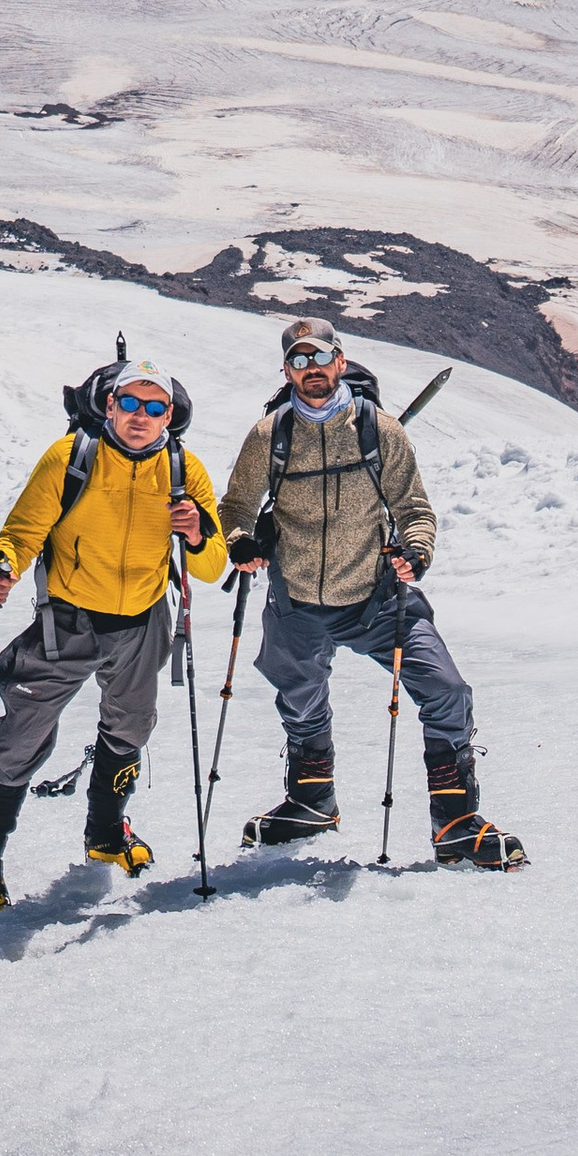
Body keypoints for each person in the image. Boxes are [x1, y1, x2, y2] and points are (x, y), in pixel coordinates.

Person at [0, 356, 226, 931]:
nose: (141, 417)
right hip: (65, 620)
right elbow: (23, 531)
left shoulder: (186, 471)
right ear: (108, 405)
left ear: (170, 414)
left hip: (142, 621)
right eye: (130, 404)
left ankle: (107, 833)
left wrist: (196, 532)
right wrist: (4, 566)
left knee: (131, 726)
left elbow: (210, 566)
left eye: (154, 407)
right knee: (19, 743)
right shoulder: (70, 459)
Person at [219, 319, 524, 870]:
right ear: (287, 371)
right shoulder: (270, 434)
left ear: (340, 362)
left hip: (377, 598)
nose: (311, 371)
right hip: (296, 600)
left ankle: (454, 820)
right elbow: (236, 506)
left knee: (445, 689)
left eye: (320, 358)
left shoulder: (378, 430)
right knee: (299, 695)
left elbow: (414, 509)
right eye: (299, 361)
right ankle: (313, 801)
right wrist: (240, 542)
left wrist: (418, 549)